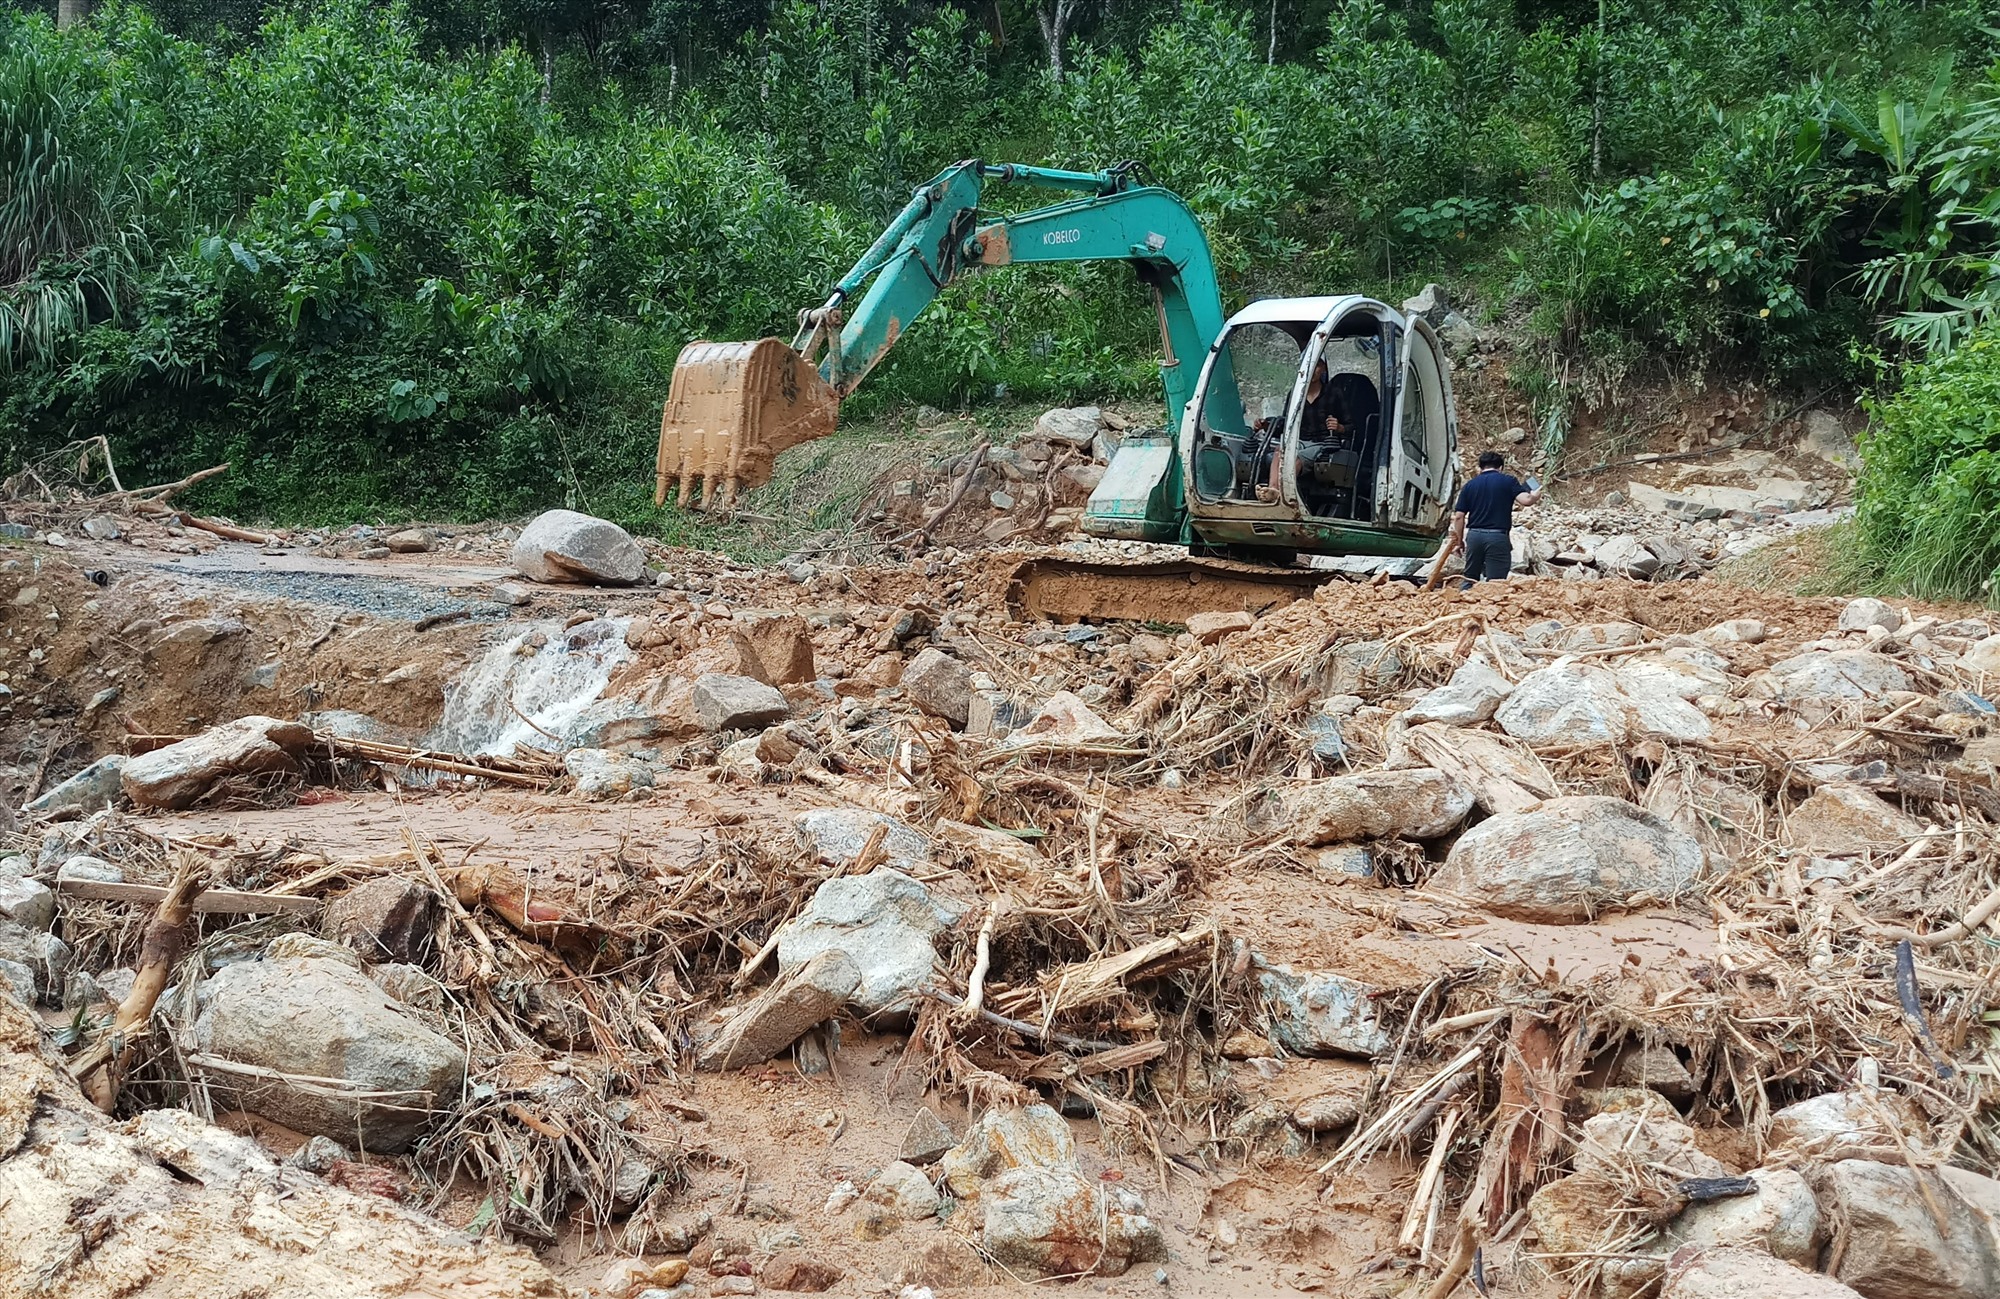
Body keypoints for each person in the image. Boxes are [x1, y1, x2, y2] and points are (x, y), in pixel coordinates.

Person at [1448, 450, 1541, 589]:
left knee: (1469, 578)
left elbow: (1459, 516)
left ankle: (1463, 603)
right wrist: (1534, 496)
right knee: (1496, 583)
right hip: (1497, 537)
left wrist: (1459, 542)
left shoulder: (1470, 485)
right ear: (1501, 467)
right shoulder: (1508, 481)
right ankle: (1491, 608)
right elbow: (1526, 500)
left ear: (1480, 468)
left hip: (1474, 536)